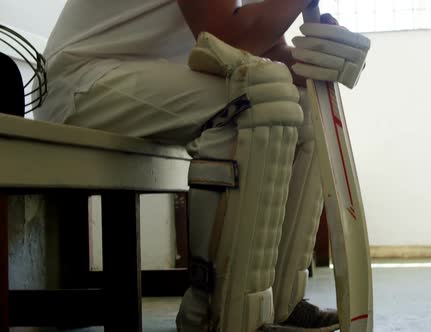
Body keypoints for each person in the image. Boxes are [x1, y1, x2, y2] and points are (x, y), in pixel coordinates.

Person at [36, 0, 370, 331]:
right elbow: (227, 36)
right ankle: (220, 315)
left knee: (303, 108)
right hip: (83, 82)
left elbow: (268, 55)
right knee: (262, 97)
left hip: (144, 77)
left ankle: (281, 305)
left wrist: (324, 57)